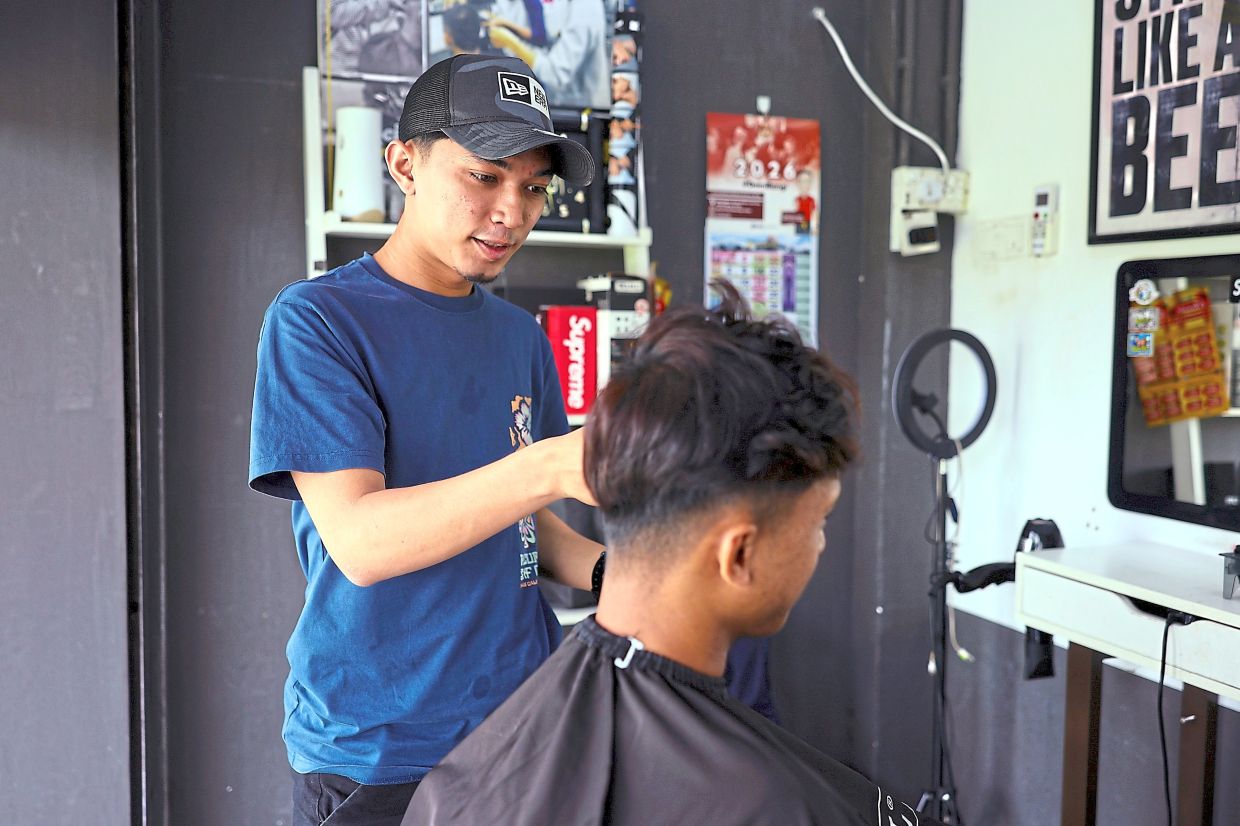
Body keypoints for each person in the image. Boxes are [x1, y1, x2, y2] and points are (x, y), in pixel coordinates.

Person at [403, 282, 947, 825]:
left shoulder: (465, 777)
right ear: (738, 554)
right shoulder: (785, 805)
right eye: (818, 521)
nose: (821, 545)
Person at [249, 54, 602, 826]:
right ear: (404, 163)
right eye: (484, 176)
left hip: (519, 728)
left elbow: (519, 519)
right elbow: (362, 542)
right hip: (380, 746)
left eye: (534, 187)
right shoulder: (318, 322)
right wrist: (551, 462)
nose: (512, 210)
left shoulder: (519, 337)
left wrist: (614, 575)